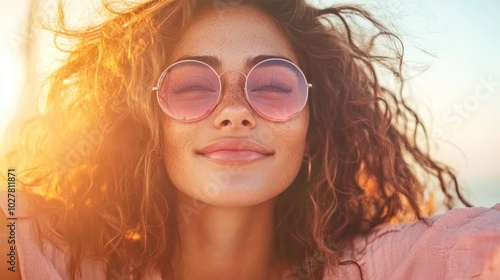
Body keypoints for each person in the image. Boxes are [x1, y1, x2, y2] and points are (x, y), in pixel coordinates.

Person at [0, 0, 499, 279]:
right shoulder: (48, 259)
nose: (235, 113)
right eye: (194, 86)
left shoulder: (386, 270)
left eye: (273, 86)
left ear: (314, 124)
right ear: (145, 121)